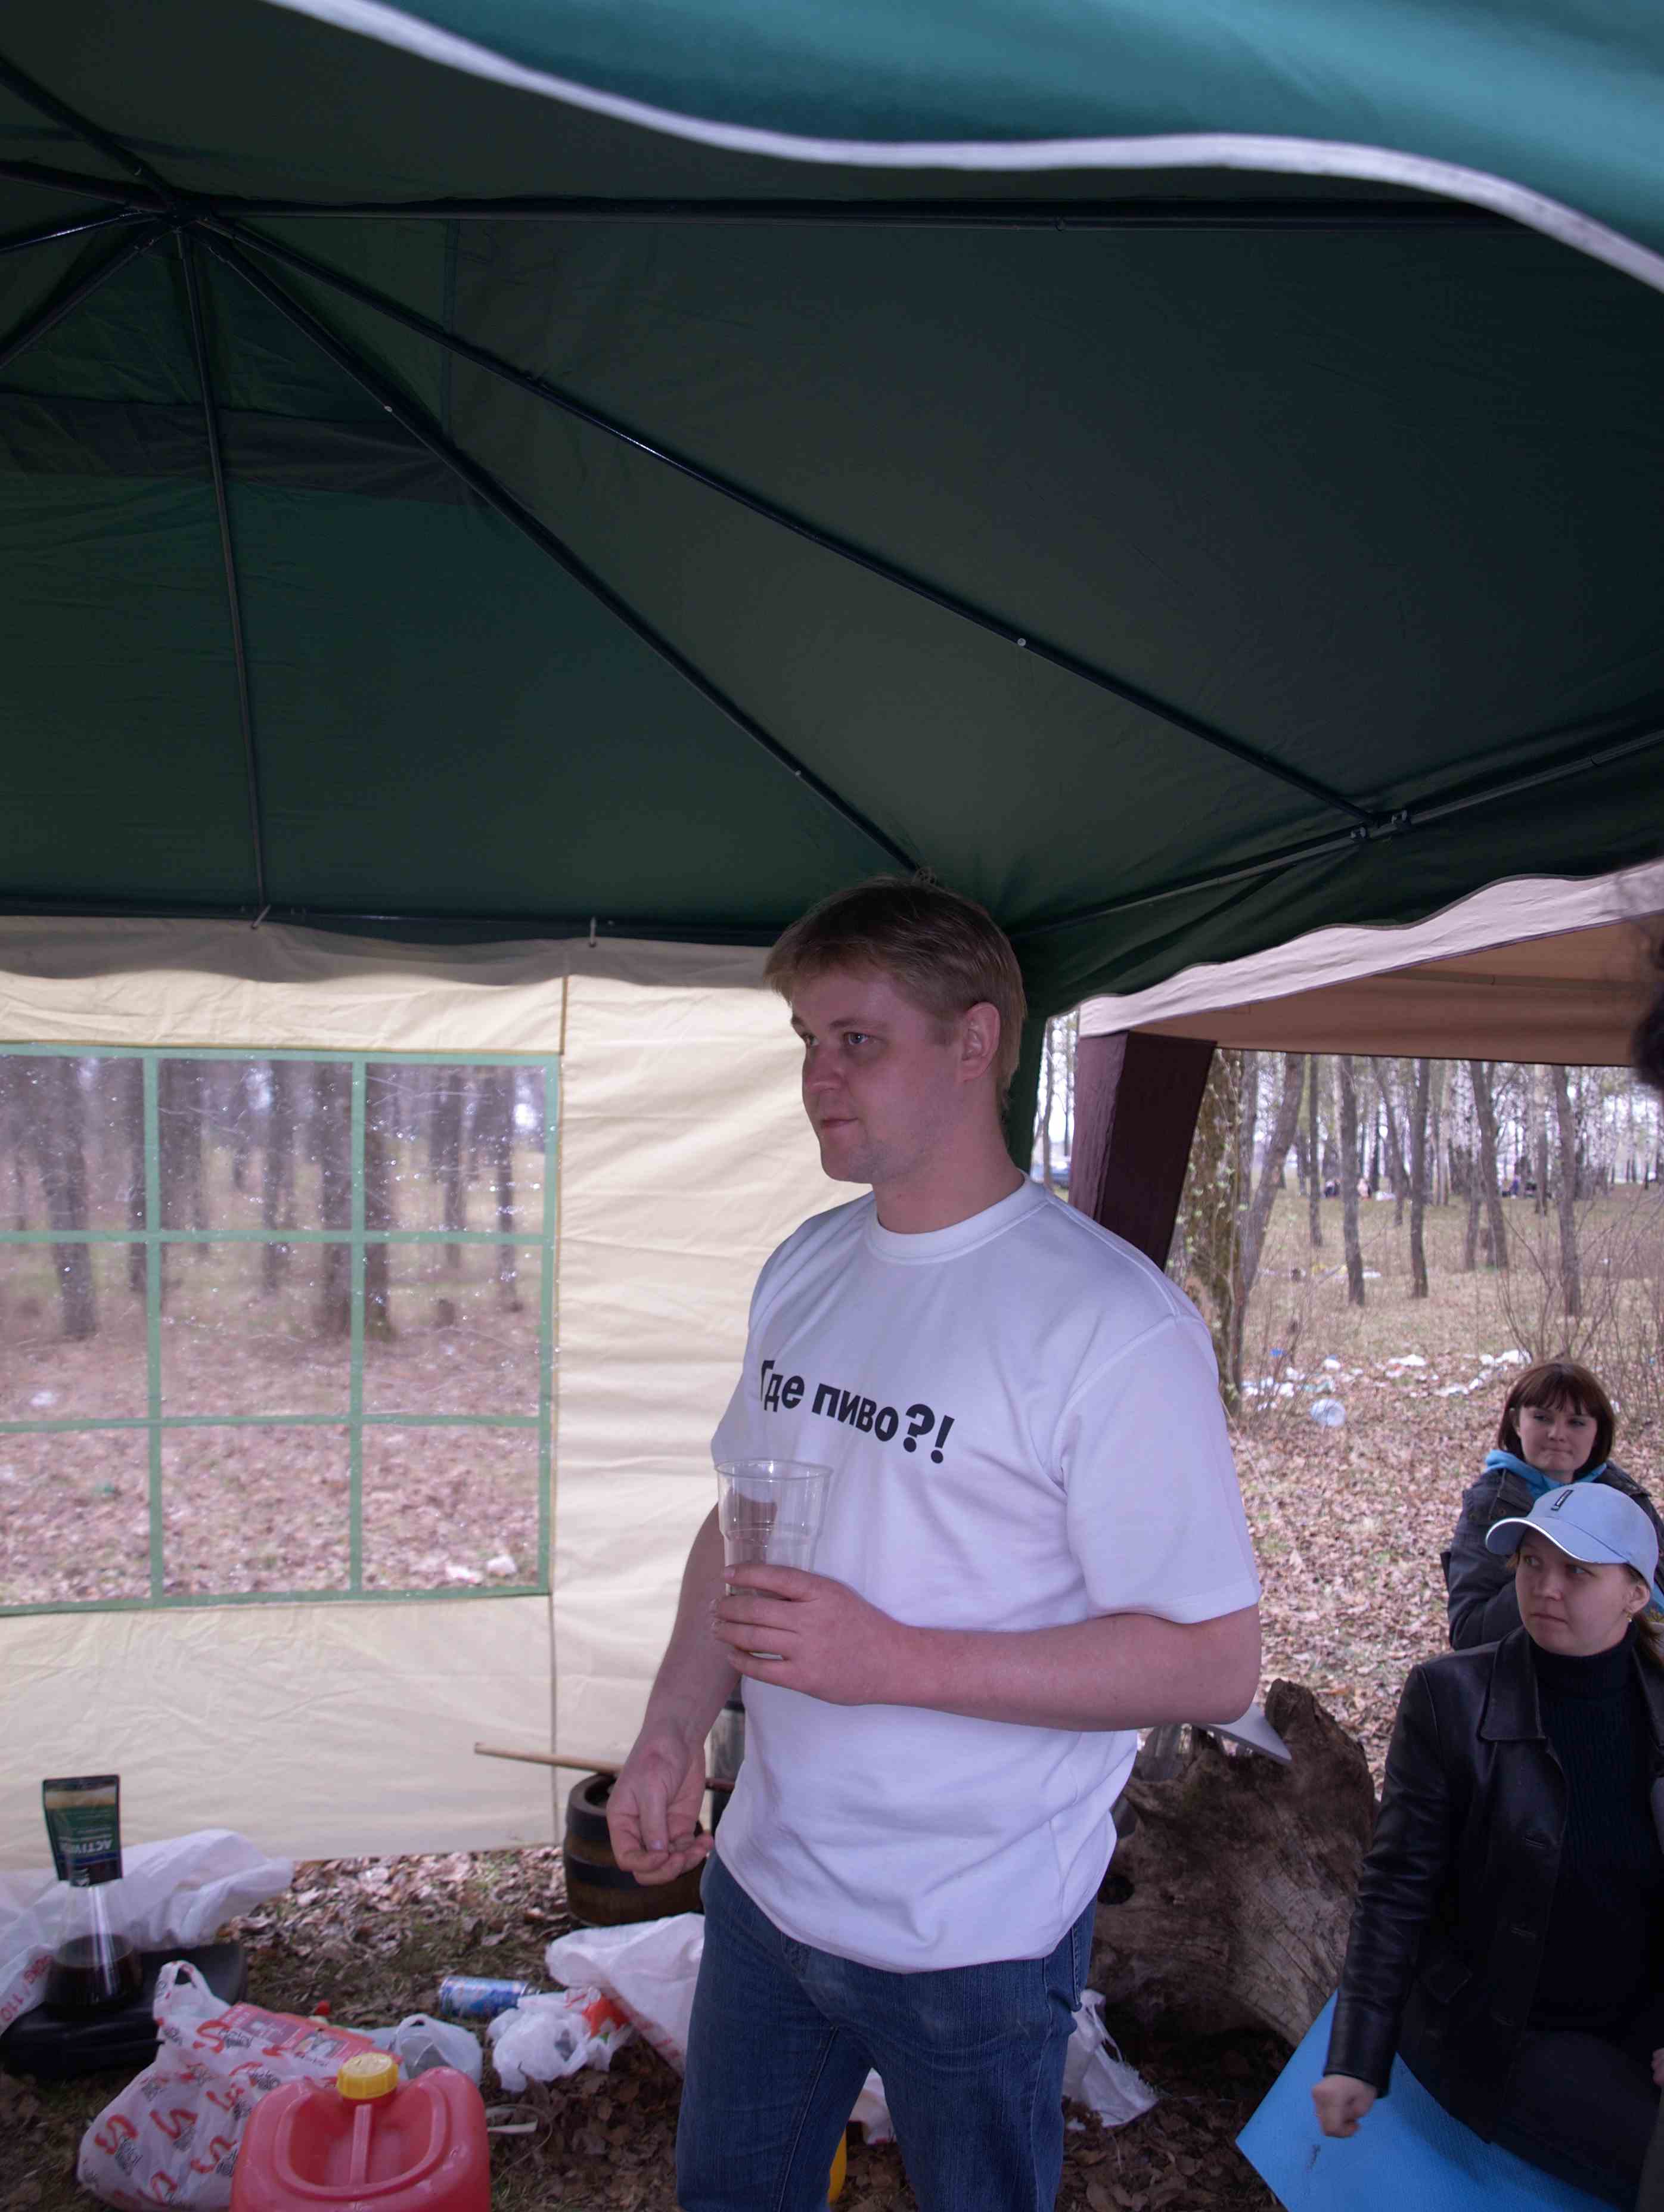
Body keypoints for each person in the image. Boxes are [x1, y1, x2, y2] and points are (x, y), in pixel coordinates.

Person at [606, 877, 1262, 2212]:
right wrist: (672, 1725)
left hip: (975, 1931)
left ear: (974, 1041)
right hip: (764, 1891)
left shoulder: (1110, 1323)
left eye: (857, 1039)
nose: (818, 1077)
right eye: (808, 1041)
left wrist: (896, 1658)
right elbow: (738, 1521)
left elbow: (1211, 1662)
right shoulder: (804, 1265)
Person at [1314, 1482, 1664, 2208]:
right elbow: (1395, 1887)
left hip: (1642, 2016)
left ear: (1635, 1594)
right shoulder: (1451, 1697)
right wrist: (1355, 2055)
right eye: (1531, 1562)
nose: (1544, 1587)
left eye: (1576, 1571)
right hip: (1510, 2032)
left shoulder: (1654, 1701)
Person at [1443, 1357, 1664, 1648]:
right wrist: (1544, 1571)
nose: (1557, 1434)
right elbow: (1469, 1632)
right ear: (1516, 1422)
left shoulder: (1621, 1491)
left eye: (1576, 1422)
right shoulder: (1492, 1505)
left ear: (1597, 1432)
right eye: (1542, 1418)